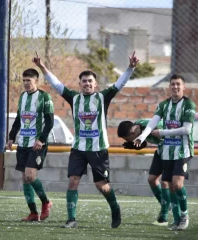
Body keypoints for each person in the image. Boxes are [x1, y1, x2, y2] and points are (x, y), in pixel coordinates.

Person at [33, 51, 139, 228]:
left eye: (90, 81)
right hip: (78, 149)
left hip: (98, 149)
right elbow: (56, 84)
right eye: (84, 81)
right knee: (73, 180)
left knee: (102, 186)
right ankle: (71, 219)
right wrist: (42, 67)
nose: (87, 83)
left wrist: (130, 68)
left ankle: (115, 208)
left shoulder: (102, 97)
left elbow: (119, 84)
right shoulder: (74, 98)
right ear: (80, 84)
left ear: (95, 84)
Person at [134, 74, 196, 231]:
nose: (175, 87)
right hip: (167, 152)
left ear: (183, 87)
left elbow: (186, 129)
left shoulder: (188, 104)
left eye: (178, 84)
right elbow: (153, 122)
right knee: (170, 185)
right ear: (169, 87)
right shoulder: (163, 105)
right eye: (172, 84)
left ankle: (184, 216)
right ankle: (176, 220)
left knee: (177, 184)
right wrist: (142, 136)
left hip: (183, 151)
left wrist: (162, 133)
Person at [7, 68, 54, 222]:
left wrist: (42, 139)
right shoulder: (22, 97)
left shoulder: (44, 97)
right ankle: (33, 213)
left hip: (37, 143)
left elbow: (49, 121)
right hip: (23, 143)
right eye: (24, 80)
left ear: (36, 81)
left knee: (30, 175)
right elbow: (19, 119)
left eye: (29, 80)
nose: (26, 83)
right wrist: (11, 137)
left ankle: (46, 203)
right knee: (25, 178)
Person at [117, 119, 171, 226]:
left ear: (132, 133)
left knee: (165, 181)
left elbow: (168, 137)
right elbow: (145, 141)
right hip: (161, 150)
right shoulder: (136, 126)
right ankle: (166, 204)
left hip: (171, 151)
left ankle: (163, 216)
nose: (129, 141)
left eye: (128, 139)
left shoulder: (152, 128)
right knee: (151, 180)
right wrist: (139, 145)